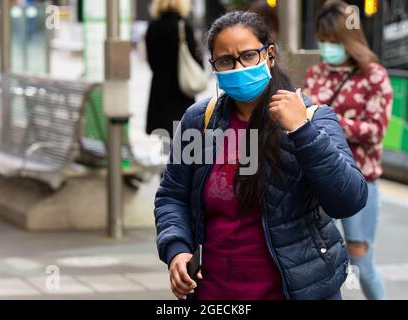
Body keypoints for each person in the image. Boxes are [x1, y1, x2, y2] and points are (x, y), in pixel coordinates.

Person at [155, 11, 368, 301]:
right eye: (225, 61)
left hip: (293, 292)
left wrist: (302, 132)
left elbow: (349, 199)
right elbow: (172, 195)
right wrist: (177, 248)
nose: (238, 67)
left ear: (268, 54)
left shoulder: (312, 119)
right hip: (214, 292)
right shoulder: (200, 121)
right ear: (214, 66)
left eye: (248, 56)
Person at [302, 0, 393, 300]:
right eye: (323, 40)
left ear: (348, 39)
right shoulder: (316, 73)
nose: (327, 47)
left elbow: (376, 130)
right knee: (317, 260)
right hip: (317, 179)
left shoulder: (374, 75)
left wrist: (330, 120)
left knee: (360, 260)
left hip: (360, 181)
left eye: (333, 41)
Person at [145, 0, 202, 139]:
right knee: (183, 136)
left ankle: (167, 158)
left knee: (164, 134)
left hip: (159, 88)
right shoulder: (182, 26)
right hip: (180, 91)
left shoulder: (152, 26)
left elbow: (151, 60)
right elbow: (195, 58)